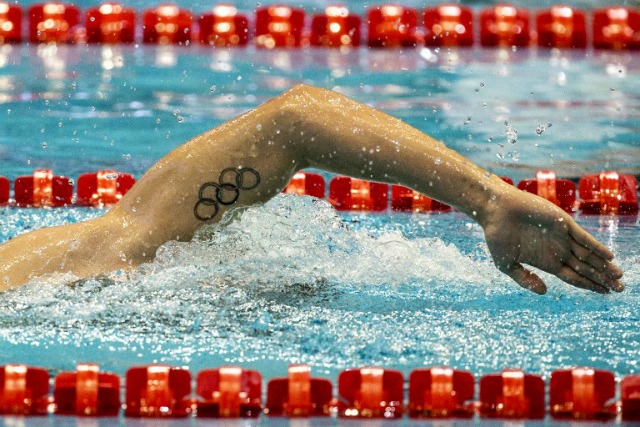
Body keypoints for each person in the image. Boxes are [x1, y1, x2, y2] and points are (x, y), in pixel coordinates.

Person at [0, 84, 624, 294]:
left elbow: (293, 120)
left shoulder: (79, 262)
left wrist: (491, 200)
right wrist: (483, 197)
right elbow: (294, 118)